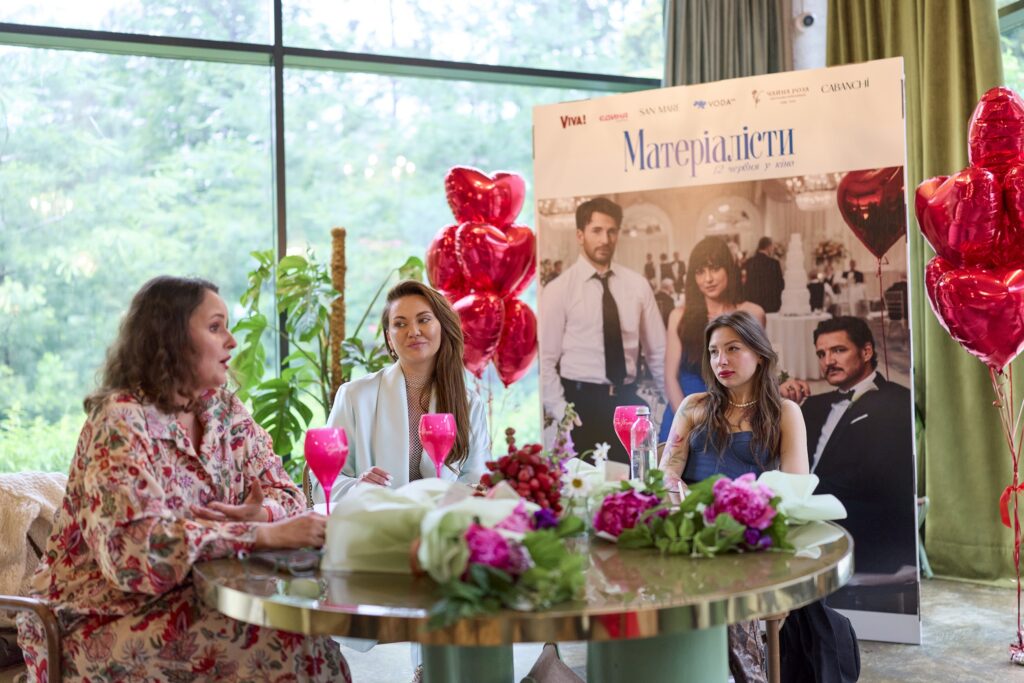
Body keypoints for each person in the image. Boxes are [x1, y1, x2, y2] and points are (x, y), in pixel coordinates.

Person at [16, 276, 348, 682]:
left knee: (313, 644)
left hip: (200, 599)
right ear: (171, 338)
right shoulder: (121, 419)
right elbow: (135, 555)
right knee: (290, 654)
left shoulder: (224, 410)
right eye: (215, 327)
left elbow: (289, 495)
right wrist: (259, 535)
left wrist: (264, 514)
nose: (232, 341)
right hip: (97, 620)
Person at [659, 311, 809, 683]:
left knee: (727, 578)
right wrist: (682, 505)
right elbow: (666, 472)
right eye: (713, 352)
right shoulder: (694, 406)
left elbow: (795, 490)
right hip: (689, 531)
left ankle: (742, 674)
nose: (721, 360)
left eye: (732, 349)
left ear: (759, 354)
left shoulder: (783, 412)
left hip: (746, 536)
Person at [785, 316, 917, 614]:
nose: (828, 361)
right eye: (821, 354)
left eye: (838, 350)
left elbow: (875, 477)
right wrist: (779, 398)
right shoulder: (814, 406)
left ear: (866, 352)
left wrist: (800, 501)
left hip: (866, 528)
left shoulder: (897, 402)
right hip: (813, 521)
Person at [316, 280, 489, 505]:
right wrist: (357, 487)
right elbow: (322, 481)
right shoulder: (354, 396)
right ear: (389, 338)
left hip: (442, 522)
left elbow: (476, 480)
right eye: (400, 324)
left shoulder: (469, 403)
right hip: (374, 521)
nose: (413, 332)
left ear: (443, 327)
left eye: (423, 320)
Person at [539, 196, 666, 461]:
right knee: (586, 483)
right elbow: (546, 360)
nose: (605, 239)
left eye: (611, 231)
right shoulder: (558, 290)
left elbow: (658, 352)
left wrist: (673, 407)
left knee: (634, 480)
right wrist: (561, 410)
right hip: (581, 404)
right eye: (596, 231)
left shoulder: (637, 285)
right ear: (580, 235)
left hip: (627, 401)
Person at [660, 236, 766, 442]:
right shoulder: (679, 316)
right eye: (700, 271)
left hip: (736, 418)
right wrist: (688, 423)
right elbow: (670, 377)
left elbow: (759, 374)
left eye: (715, 268)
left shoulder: (752, 313)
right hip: (684, 414)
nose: (708, 279)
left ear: (729, 269)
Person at [743, 236, 784, 313]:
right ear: (768, 247)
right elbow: (780, 285)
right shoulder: (774, 263)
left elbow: (747, 285)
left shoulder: (749, 262)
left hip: (754, 304)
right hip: (771, 305)